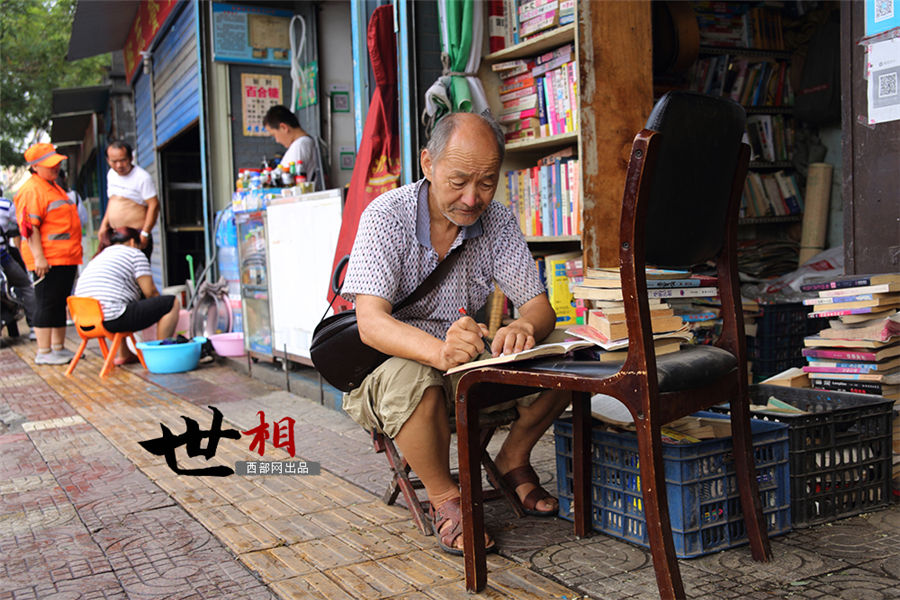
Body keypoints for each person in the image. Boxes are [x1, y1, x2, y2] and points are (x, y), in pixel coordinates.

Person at [340, 112, 570, 556]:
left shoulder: (497, 222)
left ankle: (512, 457)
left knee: (567, 354)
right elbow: (370, 322)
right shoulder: (387, 216)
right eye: (458, 180)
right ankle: (446, 498)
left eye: (486, 183)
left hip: (467, 361)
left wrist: (524, 326)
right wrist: (441, 352)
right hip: (388, 369)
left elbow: (541, 308)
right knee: (415, 377)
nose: (471, 197)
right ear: (428, 163)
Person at [14, 143, 83, 364]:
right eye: (49, 165)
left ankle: (58, 348)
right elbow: (29, 228)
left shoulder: (52, 186)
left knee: (57, 301)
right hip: (48, 259)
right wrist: (39, 258)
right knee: (46, 302)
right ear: (35, 167)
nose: (56, 167)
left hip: (65, 256)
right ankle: (44, 352)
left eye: (57, 163)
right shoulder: (32, 190)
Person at [74, 227, 180, 364]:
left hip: (85, 321)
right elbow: (151, 292)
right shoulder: (134, 254)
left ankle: (125, 354)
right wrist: (160, 311)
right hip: (113, 319)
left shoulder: (99, 257)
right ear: (132, 242)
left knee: (122, 302)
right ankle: (161, 355)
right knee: (171, 303)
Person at [98, 141, 159, 260]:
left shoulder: (142, 177)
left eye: (123, 160)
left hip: (135, 237)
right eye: (114, 161)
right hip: (116, 236)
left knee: (137, 274)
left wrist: (145, 233)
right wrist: (104, 225)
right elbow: (112, 201)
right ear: (107, 160)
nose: (119, 165)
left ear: (131, 158)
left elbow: (154, 205)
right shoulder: (111, 175)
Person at [0, 189, 36, 339]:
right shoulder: (5, 205)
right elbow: (20, 225)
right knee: (25, 285)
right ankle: (35, 326)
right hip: (3, 257)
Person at [262, 104, 319, 187]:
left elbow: (289, 182)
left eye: (274, 135)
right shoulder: (302, 143)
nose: (277, 140)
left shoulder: (301, 145)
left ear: (284, 127)